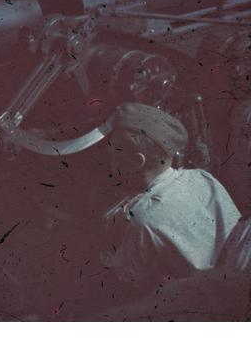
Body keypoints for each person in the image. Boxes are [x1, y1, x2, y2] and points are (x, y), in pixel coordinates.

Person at [99, 103, 241, 290]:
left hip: (208, 295)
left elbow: (127, 276)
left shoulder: (142, 220)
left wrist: (110, 242)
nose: (108, 154)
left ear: (136, 161)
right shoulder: (201, 177)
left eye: (114, 150)